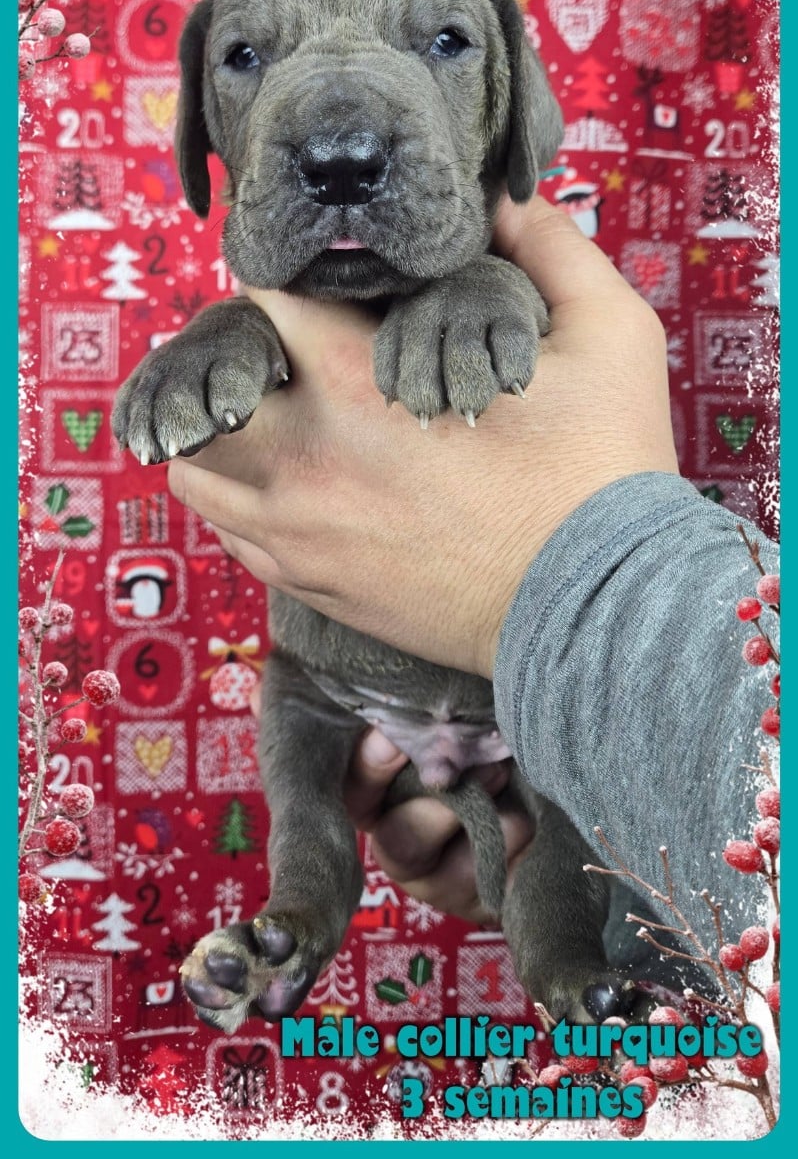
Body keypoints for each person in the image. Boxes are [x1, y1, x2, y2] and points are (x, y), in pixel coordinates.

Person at [167, 196, 779, 937]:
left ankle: (570, 958)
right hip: (357, 693)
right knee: (306, 771)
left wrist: (563, 572)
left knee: (556, 876)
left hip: (542, 715)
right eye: (246, 66)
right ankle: (305, 909)